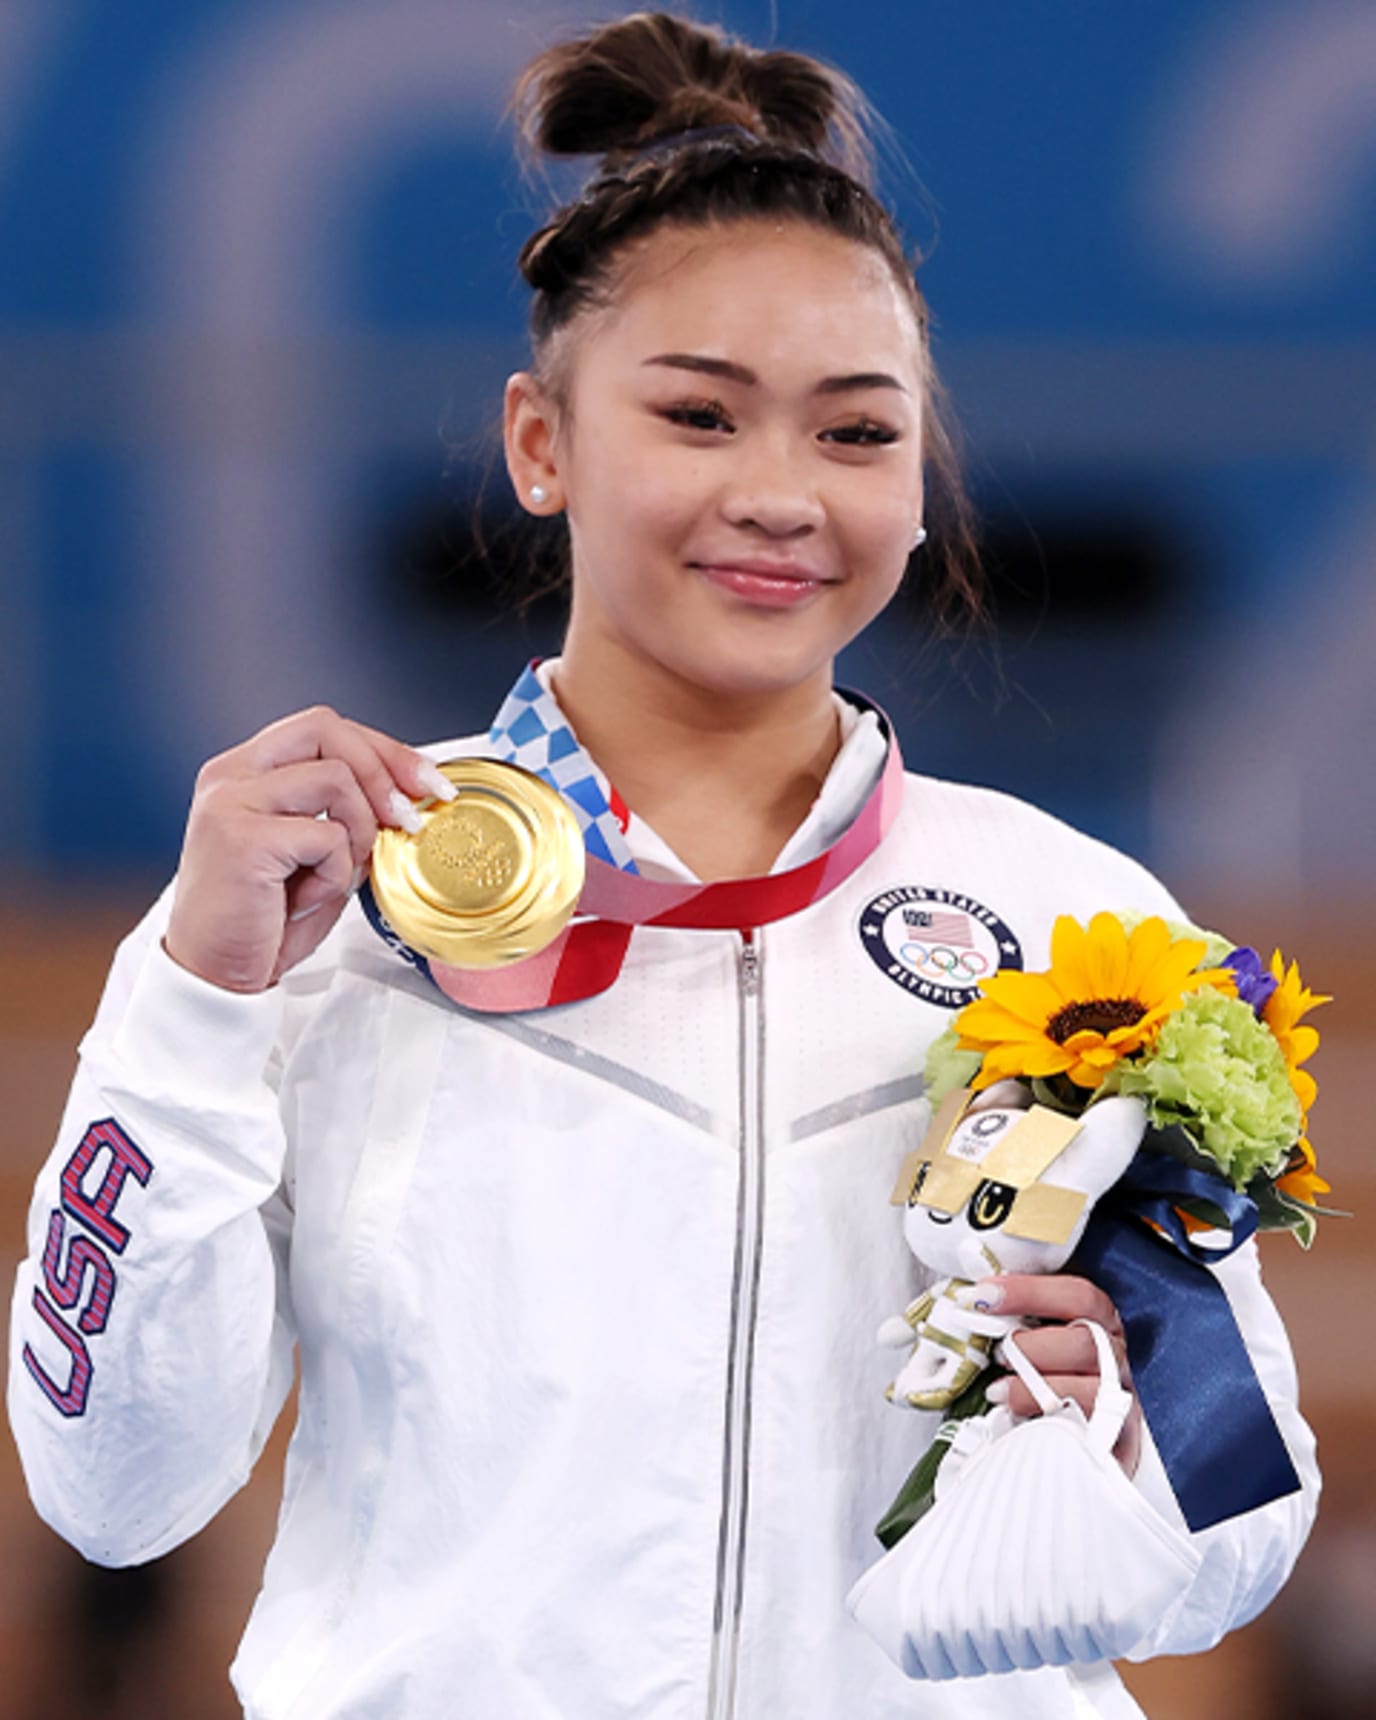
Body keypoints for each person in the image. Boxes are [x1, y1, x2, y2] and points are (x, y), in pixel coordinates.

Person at [7, 12, 1317, 1718]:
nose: (782, 494)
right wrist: (190, 1009)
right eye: (701, 416)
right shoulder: (324, 910)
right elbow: (112, 1497)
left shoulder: (1074, 926)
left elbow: (1233, 1541)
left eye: (856, 434)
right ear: (539, 445)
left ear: (921, 484)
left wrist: (1118, 1430)